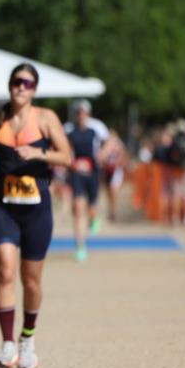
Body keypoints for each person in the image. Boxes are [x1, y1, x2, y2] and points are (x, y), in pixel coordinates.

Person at [0, 63, 72, 368]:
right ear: (10, 85)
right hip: (2, 206)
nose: (21, 88)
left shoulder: (46, 118)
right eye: (17, 82)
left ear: (35, 89)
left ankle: (27, 339)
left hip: (36, 209)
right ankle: (7, 344)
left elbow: (67, 157)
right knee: (5, 271)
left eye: (28, 83)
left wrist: (40, 154)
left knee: (31, 281)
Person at [66, 99, 102, 262]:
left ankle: (94, 218)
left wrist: (102, 157)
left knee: (91, 209)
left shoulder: (96, 130)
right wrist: (73, 163)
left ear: (88, 114)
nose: (81, 115)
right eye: (79, 112)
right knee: (78, 209)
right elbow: (65, 151)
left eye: (84, 112)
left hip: (93, 173)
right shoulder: (70, 131)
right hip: (76, 174)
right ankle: (80, 246)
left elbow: (111, 143)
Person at [100, 128, 128, 222]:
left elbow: (124, 158)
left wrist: (118, 163)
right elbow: (102, 158)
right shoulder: (105, 146)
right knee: (108, 191)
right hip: (108, 171)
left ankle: (113, 211)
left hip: (116, 171)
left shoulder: (119, 146)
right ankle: (111, 209)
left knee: (113, 190)